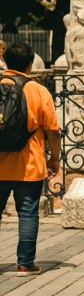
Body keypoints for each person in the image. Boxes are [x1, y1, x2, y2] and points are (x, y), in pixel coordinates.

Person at [0, 42, 61, 276]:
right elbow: (53, 131)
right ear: (29, 65)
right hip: (29, 165)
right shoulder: (38, 91)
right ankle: (25, 263)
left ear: (5, 62)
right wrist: (54, 159)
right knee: (27, 213)